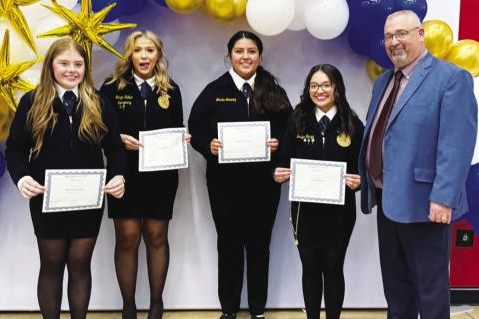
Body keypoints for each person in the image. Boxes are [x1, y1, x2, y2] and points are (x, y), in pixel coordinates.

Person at [358, 10, 477, 319]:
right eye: (388, 36)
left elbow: (457, 142)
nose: (394, 42)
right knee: (396, 289)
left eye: (402, 34)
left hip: (427, 205)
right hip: (387, 200)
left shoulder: (451, 78)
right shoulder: (383, 81)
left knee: (430, 291)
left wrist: (443, 197)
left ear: (421, 34)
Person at [5, 37, 126, 319]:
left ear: (86, 67)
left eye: (78, 64)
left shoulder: (99, 102)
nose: (71, 70)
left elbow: (115, 148)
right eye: (64, 63)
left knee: (81, 264)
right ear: (51, 66)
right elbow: (15, 149)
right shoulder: (32, 102)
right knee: (51, 264)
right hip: (48, 200)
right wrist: (22, 178)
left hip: (89, 200)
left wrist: (119, 175)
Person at [188, 31, 291, 319]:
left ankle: (258, 310)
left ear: (260, 55)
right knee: (229, 246)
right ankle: (229, 311)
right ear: (229, 55)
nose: (245, 57)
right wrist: (208, 144)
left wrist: (279, 144)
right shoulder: (214, 90)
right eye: (239, 51)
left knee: (259, 247)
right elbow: (195, 129)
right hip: (224, 185)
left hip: (263, 185)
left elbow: (290, 130)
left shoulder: (273, 90)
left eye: (251, 51)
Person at [100, 30, 189, 319]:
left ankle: (156, 303)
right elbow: (99, 131)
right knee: (126, 238)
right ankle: (128, 305)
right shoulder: (112, 88)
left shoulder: (171, 90)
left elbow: (177, 127)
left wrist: (182, 141)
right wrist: (118, 139)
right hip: (123, 174)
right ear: (130, 55)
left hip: (160, 176)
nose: (144, 56)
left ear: (158, 55)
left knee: (156, 236)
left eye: (150, 50)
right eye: (138, 50)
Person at [274, 64, 363, 319]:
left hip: (339, 212)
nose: (319, 90)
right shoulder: (297, 120)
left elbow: (362, 167)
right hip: (305, 211)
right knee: (310, 267)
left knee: (334, 267)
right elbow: (283, 159)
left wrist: (359, 182)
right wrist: (277, 172)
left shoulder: (352, 124)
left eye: (325, 85)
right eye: (314, 86)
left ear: (337, 88)